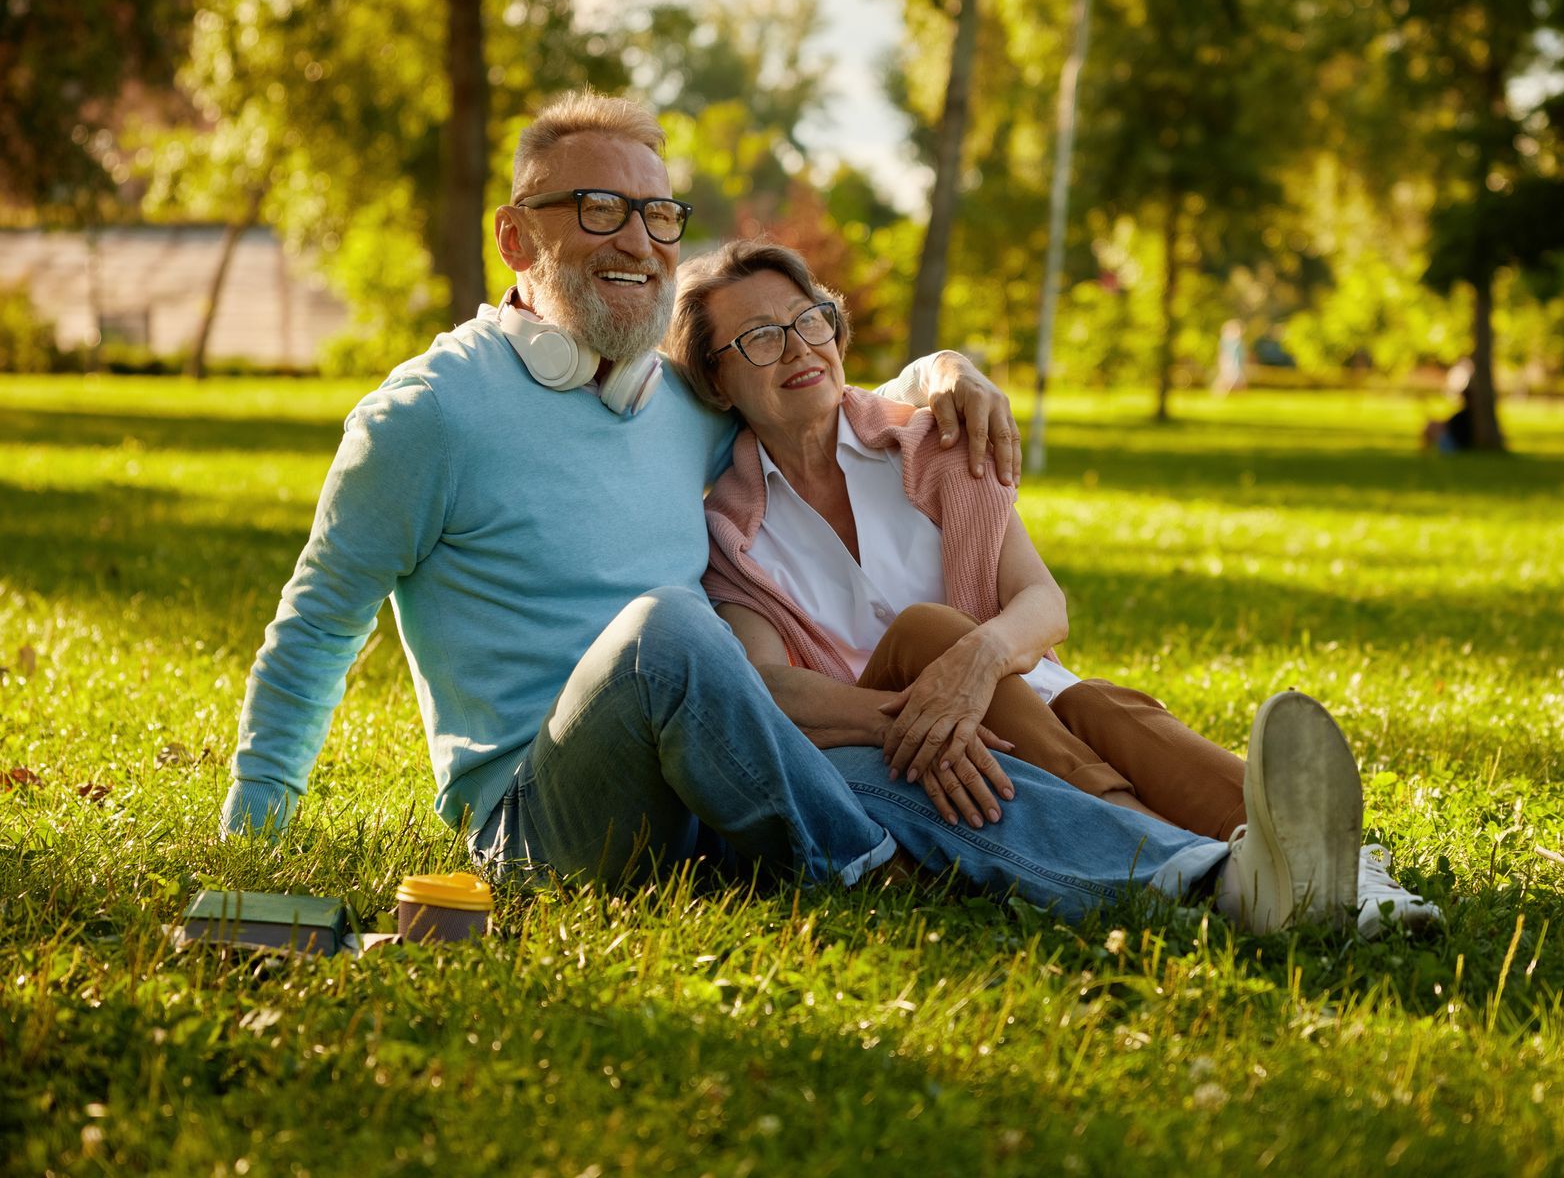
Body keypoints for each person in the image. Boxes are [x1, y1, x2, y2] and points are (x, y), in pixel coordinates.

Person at [220, 89, 1363, 934]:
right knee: (672, 630)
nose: (640, 240)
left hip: (726, 772)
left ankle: (1216, 882)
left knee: (931, 754)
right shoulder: (427, 414)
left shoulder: (679, 401)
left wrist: (944, 369)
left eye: (661, 215)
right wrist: (251, 838)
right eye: (601, 208)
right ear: (518, 238)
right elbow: (318, 622)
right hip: (543, 817)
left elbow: (811, 386)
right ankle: (863, 871)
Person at [665, 238, 1442, 938]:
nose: (798, 349)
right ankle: (1180, 850)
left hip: (1025, 705)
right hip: (891, 757)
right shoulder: (732, 531)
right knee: (930, 633)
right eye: (759, 339)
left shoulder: (930, 442)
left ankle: (1347, 875)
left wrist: (976, 666)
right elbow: (768, 687)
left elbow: (1044, 605)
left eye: (808, 322)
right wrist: (927, 710)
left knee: (1091, 700)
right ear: (719, 381)